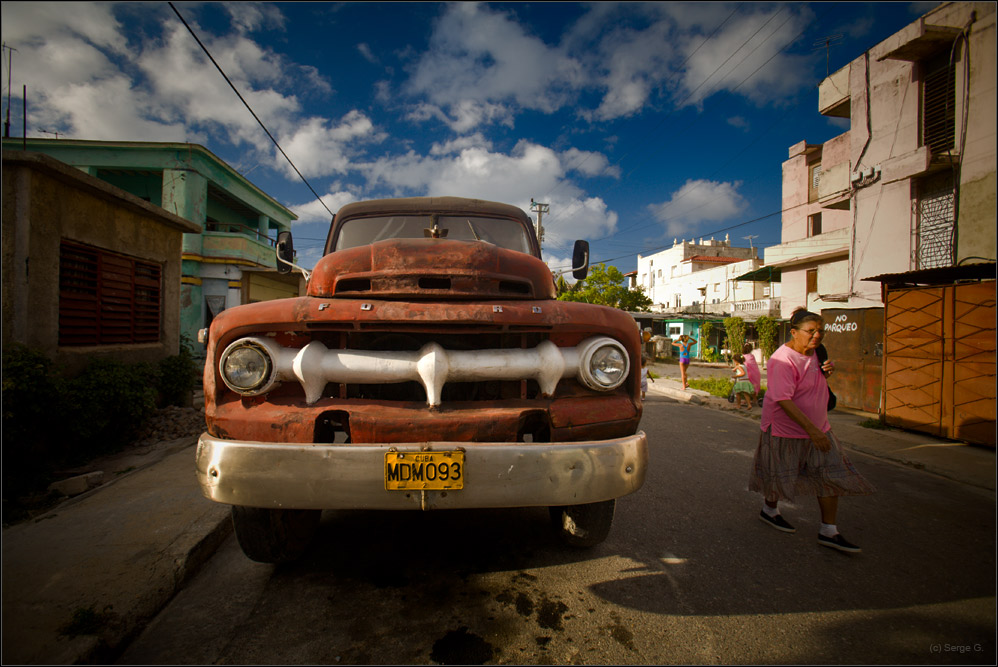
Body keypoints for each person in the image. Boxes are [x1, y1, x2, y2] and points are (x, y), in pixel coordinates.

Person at [748, 307, 875, 553]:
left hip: (819, 428)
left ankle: (829, 530)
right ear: (794, 332)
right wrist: (812, 431)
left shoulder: (817, 353)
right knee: (778, 474)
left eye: (821, 331)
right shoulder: (781, 360)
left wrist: (827, 373)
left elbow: (813, 383)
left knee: (830, 475)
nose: (817, 335)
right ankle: (769, 510)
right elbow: (783, 400)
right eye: (811, 331)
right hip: (785, 429)